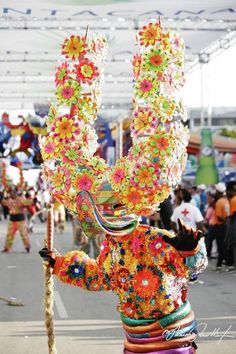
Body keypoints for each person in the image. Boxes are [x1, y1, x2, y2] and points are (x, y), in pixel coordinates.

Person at [40, 215, 207, 354]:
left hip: (171, 336)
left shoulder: (155, 237)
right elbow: (98, 276)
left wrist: (190, 250)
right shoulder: (111, 244)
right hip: (136, 339)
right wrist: (59, 263)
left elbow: (188, 270)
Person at [1, 188, 36, 253]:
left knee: (24, 235)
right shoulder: (9, 200)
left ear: (15, 193)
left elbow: (29, 202)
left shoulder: (21, 200)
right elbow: (4, 203)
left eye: (12, 193)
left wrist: (34, 200)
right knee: (9, 235)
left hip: (21, 221)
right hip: (12, 220)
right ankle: (7, 248)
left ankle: (27, 247)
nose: (11, 194)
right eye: (10, 193)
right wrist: (1, 198)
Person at [210, 182, 230, 271]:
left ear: (218, 191)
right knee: (222, 245)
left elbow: (218, 215)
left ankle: (229, 263)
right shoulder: (226, 200)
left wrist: (225, 221)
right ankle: (219, 265)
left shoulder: (219, 202)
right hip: (224, 226)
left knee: (220, 246)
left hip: (219, 226)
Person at [225, 181, 236, 271]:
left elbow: (232, 215)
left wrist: (228, 218)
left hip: (234, 225)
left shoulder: (234, 200)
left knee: (233, 244)